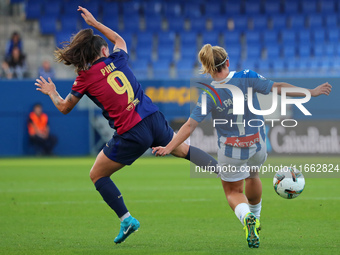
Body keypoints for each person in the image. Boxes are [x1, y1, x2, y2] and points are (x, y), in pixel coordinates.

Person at [34, 7, 218, 244]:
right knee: (183, 150)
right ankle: (224, 170)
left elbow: (64, 107)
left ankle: (126, 218)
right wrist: (96, 23)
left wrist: (52, 92)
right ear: (103, 50)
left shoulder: (84, 78)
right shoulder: (118, 58)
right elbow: (119, 39)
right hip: (153, 117)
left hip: (132, 132)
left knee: (97, 174)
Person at [152, 44, 332, 248]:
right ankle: (256, 217)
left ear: (208, 68)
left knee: (233, 192)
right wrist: (310, 92)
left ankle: (247, 217)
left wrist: (169, 146)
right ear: (227, 62)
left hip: (231, 150)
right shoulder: (247, 75)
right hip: (257, 143)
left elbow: (189, 126)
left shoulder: (209, 94)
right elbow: (279, 88)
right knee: (253, 175)